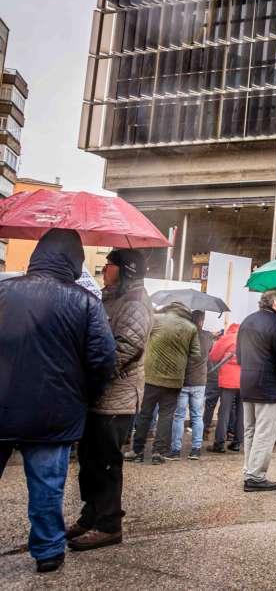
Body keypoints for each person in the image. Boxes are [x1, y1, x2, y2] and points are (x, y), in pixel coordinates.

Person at [0, 229, 117, 573]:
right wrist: (84, 392)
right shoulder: (85, 302)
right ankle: (48, 550)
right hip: (53, 410)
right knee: (47, 486)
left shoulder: (3, 290)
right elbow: (103, 359)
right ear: (75, 262)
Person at [63, 248, 154, 554]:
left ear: (126, 269)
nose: (105, 269)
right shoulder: (112, 297)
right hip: (98, 395)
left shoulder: (135, 302)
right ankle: (90, 516)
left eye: (110, 264)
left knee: (105, 462)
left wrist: (90, 372)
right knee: (89, 461)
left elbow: (124, 348)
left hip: (116, 397)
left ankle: (109, 525)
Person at [125, 301, 203, 464]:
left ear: (170, 308)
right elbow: (196, 355)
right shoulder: (191, 328)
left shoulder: (156, 319)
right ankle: (158, 453)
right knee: (166, 416)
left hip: (151, 377)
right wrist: (181, 360)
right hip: (174, 380)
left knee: (145, 414)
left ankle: (137, 451)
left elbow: (140, 340)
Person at [238, 290, 276, 491]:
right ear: (275, 303)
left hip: (248, 382)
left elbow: (239, 355)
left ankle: (249, 469)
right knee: (265, 433)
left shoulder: (247, 321)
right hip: (270, 387)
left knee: (250, 430)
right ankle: (255, 477)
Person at [168, 309, 213, 461]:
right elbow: (210, 352)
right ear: (202, 321)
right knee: (197, 416)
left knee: (179, 416)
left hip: (183, 381)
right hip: (200, 382)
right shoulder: (208, 336)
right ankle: (195, 450)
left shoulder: (183, 334)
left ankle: (175, 450)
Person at [208, 324, 243, 453]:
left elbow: (213, 356)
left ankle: (220, 443)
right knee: (241, 412)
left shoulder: (227, 338)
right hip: (245, 380)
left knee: (224, 412)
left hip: (228, 380)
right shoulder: (248, 338)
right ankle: (237, 443)